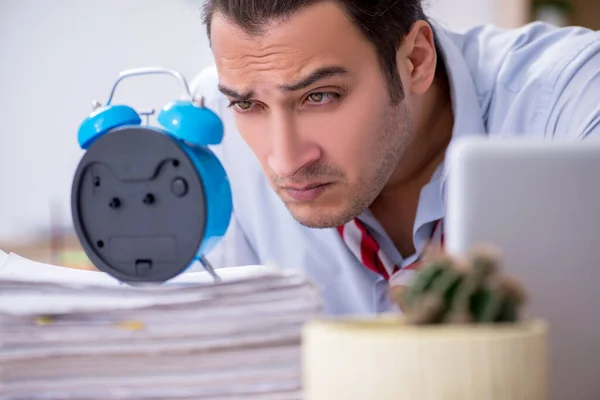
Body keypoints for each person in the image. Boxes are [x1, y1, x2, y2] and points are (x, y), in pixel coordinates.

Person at [192, 0, 600, 315]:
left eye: (319, 96)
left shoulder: (573, 96)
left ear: (415, 60)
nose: (284, 162)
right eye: (248, 106)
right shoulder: (209, 121)